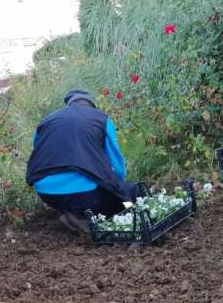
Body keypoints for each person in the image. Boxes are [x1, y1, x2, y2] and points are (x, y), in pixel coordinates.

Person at [25, 88, 144, 233]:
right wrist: (120, 190)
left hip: (46, 193)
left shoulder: (45, 122)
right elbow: (117, 165)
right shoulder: (101, 119)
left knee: (80, 191)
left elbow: (39, 152)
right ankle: (82, 218)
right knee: (128, 196)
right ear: (91, 105)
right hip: (85, 196)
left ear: (69, 105)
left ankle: (72, 211)